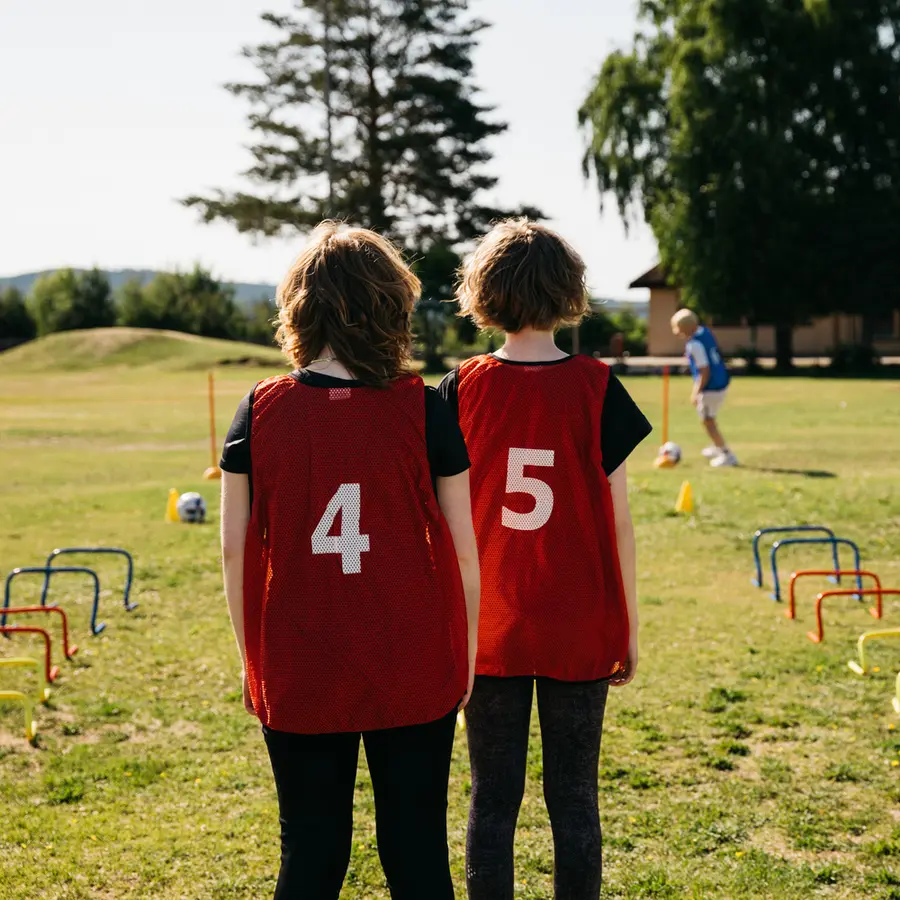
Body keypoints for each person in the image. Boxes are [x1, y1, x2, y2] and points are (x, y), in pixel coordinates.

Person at [219, 222, 480, 900]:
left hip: (300, 659)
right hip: (411, 654)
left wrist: (255, 661)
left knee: (310, 848)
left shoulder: (258, 409)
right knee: (418, 849)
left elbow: (233, 549)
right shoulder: (423, 409)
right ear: (392, 306)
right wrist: (467, 652)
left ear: (297, 307)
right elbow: (461, 548)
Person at [440, 219, 652, 900]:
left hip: (490, 625)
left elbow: (442, 525)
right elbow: (618, 524)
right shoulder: (597, 385)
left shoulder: (460, 387)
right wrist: (630, 629)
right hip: (579, 623)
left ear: (484, 293)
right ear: (569, 292)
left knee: (491, 802)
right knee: (575, 801)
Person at [670, 308, 737, 467]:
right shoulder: (705, 332)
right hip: (721, 382)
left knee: (708, 421)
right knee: (710, 418)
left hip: (711, 388)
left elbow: (704, 371)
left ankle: (727, 454)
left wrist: (696, 392)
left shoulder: (694, 344)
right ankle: (717, 446)